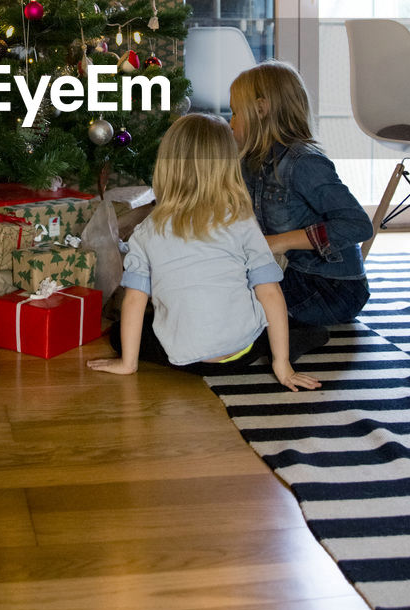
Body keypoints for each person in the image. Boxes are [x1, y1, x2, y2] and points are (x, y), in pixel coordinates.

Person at [87, 113, 325, 391]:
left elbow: (134, 300)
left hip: (181, 358)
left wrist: (128, 363)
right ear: (227, 165)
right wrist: (282, 365)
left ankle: (139, 353)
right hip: (239, 354)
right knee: (300, 325)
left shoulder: (147, 230)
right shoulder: (240, 219)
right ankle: (293, 344)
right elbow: (269, 293)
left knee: (119, 335)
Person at [229, 60, 374, 328]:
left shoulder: (303, 162)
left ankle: (293, 335)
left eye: (236, 112)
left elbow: (358, 226)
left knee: (229, 306)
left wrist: (278, 242)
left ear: (261, 109)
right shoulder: (251, 161)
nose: (231, 121)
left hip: (328, 288)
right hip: (287, 274)